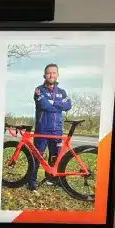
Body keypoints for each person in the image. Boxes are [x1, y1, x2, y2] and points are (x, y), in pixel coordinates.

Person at [29, 63, 73, 192]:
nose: (51, 75)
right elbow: (44, 105)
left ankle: (52, 179)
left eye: (54, 73)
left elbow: (69, 106)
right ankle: (32, 181)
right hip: (42, 129)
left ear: (57, 75)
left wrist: (53, 103)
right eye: (49, 73)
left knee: (55, 157)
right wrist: (59, 105)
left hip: (57, 129)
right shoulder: (39, 90)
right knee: (37, 156)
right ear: (44, 75)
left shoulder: (62, 92)